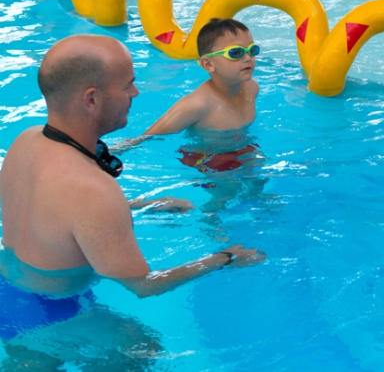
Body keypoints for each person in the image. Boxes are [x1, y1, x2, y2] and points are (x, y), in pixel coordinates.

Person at [0, 34, 264, 342]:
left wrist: (142, 205)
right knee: (144, 346)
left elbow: (51, 211)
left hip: (8, 288)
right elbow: (145, 285)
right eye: (128, 85)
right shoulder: (93, 190)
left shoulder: (26, 140)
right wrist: (224, 258)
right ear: (92, 99)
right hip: (54, 314)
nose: (136, 93)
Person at [141, 18, 260, 172]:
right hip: (206, 157)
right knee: (227, 190)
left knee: (258, 181)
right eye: (235, 53)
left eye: (252, 50)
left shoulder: (252, 88)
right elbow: (147, 138)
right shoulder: (196, 105)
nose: (248, 58)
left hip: (242, 147)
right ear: (208, 64)